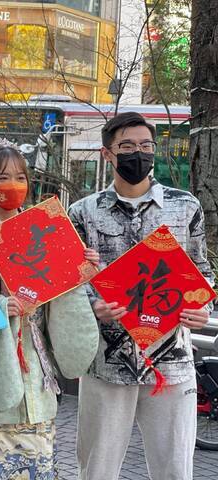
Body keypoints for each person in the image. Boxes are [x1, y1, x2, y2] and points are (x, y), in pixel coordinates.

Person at [68, 112, 214, 480]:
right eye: (128, 146)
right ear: (108, 153)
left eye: (146, 146)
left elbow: (202, 271)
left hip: (173, 361)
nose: (138, 153)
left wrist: (202, 304)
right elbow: (72, 283)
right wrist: (92, 306)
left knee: (175, 470)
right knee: (96, 469)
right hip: (105, 361)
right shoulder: (82, 213)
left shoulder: (185, 207)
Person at [0, 142, 100, 479]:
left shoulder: (45, 233)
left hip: (37, 378)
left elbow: (68, 305)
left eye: (20, 178)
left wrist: (77, 269)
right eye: (3, 177)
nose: (13, 186)